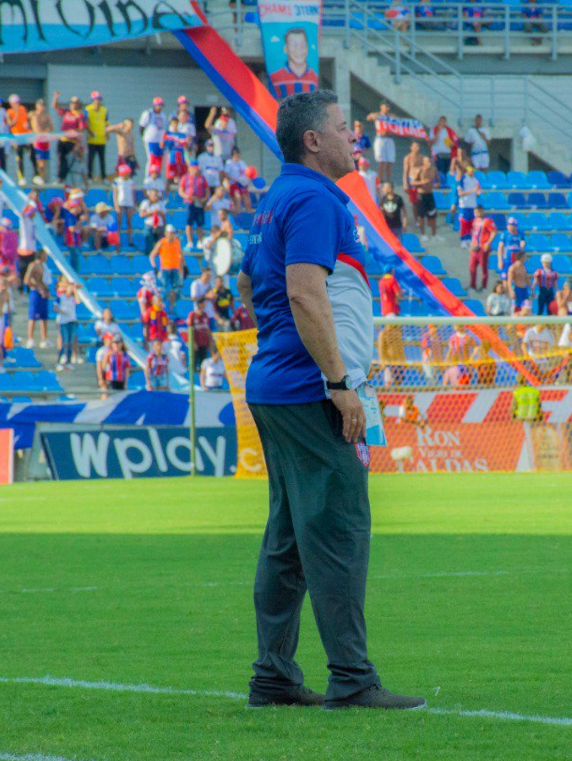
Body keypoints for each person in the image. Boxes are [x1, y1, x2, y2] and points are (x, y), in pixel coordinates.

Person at [235, 89, 423, 711]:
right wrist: (340, 384)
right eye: (345, 128)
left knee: (288, 535)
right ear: (313, 140)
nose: (355, 138)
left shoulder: (276, 199)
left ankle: (274, 675)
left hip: (274, 382)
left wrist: (280, 344)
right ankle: (351, 676)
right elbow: (305, 294)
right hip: (309, 389)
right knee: (340, 529)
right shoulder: (316, 197)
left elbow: (247, 279)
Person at [269, 27, 319, 95]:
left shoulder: (314, 77)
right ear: (286, 49)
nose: (299, 49)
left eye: (303, 45)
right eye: (294, 45)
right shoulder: (275, 77)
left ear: (307, 48)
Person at [53, 92, 86, 182]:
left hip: (72, 141)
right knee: (61, 158)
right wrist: (56, 97)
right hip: (63, 139)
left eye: (75, 103)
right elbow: (55, 106)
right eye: (72, 103)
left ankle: (66, 178)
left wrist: (79, 143)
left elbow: (81, 130)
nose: (73, 105)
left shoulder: (80, 115)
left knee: (70, 160)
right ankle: (61, 178)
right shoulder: (66, 112)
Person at [22, 250, 52, 348]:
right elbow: (27, 280)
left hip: (43, 292)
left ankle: (44, 338)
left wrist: (46, 290)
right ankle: (30, 338)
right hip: (36, 292)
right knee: (33, 316)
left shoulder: (44, 266)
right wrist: (38, 287)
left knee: (44, 317)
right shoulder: (33, 265)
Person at [179, 161, 210, 250]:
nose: (196, 170)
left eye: (197, 169)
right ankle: (190, 241)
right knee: (189, 223)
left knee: (200, 223)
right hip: (190, 203)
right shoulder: (185, 178)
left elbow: (207, 191)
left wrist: (204, 199)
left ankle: (200, 241)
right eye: (194, 169)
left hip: (199, 203)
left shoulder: (202, 178)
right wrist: (187, 197)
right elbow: (181, 191)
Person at [365, 102, 397, 184]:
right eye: (386, 106)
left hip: (389, 139)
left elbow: (398, 121)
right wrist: (373, 116)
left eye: (388, 106)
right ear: (381, 107)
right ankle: (380, 179)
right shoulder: (378, 115)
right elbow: (368, 118)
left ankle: (388, 179)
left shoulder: (391, 116)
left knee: (390, 160)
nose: (387, 108)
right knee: (381, 161)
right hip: (380, 138)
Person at [6, 94, 34, 185]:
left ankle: (36, 175)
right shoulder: (9, 112)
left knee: (33, 153)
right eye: (15, 103)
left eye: (18, 102)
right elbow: (11, 124)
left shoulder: (23, 109)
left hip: (26, 135)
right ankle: (21, 177)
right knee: (19, 157)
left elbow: (26, 121)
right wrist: (16, 113)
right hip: (17, 138)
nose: (17, 104)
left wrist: (28, 125)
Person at [55, 275, 81, 370]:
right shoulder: (61, 296)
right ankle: (60, 360)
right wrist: (62, 310)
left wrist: (74, 290)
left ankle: (68, 361)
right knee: (64, 341)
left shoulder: (72, 298)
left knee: (70, 342)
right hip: (64, 321)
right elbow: (55, 307)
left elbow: (78, 301)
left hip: (72, 320)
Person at [468, 206, 496, 291]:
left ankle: (483, 286)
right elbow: (474, 234)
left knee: (483, 268)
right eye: (476, 212)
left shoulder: (487, 221)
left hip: (483, 248)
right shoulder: (474, 221)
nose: (477, 214)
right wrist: (471, 245)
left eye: (479, 212)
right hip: (475, 248)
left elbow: (494, 232)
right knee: (472, 267)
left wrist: (488, 242)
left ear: (483, 211)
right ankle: (472, 286)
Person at [84, 90, 109, 181]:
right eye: (96, 100)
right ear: (92, 100)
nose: (97, 102)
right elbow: (85, 122)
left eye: (99, 99)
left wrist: (107, 132)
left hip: (101, 138)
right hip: (92, 139)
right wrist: (89, 131)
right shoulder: (88, 109)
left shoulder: (104, 110)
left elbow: (106, 122)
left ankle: (104, 177)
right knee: (90, 159)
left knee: (102, 159)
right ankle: (89, 177)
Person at [412, 155, 438, 239]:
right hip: (421, 195)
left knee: (433, 215)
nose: (429, 163)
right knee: (421, 216)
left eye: (430, 161)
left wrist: (436, 184)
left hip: (430, 194)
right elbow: (412, 182)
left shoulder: (434, 170)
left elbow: (438, 181)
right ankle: (423, 234)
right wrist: (421, 182)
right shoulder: (420, 170)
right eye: (428, 162)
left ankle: (434, 235)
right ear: (424, 163)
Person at [29, 97, 53, 185]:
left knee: (44, 162)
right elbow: (36, 130)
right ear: (37, 106)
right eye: (40, 105)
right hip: (38, 141)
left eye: (43, 106)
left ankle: (42, 178)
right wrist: (44, 131)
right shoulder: (34, 115)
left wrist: (45, 130)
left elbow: (51, 128)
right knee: (40, 163)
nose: (42, 107)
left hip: (45, 141)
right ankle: (38, 177)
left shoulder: (46, 116)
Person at [456, 166, 482, 247]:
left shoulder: (475, 180)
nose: (472, 172)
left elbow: (478, 192)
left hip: (473, 205)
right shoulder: (463, 179)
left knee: (471, 223)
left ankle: (469, 239)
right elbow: (460, 193)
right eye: (470, 170)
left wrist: (478, 193)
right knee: (464, 223)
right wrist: (472, 191)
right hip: (464, 205)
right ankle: (463, 240)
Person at [184, 297, 213, 368]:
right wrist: (193, 343)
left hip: (204, 343)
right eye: (203, 303)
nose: (205, 305)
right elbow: (190, 329)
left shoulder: (205, 315)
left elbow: (208, 329)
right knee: (194, 364)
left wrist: (210, 341)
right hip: (196, 344)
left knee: (203, 364)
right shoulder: (192, 315)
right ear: (199, 304)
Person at [138, 188, 166, 255]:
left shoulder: (161, 204)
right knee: (148, 237)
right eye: (154, 195)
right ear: (150, 195)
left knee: (159, 242)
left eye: (157, 195)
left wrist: (160, 214)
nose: (156, 197)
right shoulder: (146, 203)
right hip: (149, 225)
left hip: (159, 225)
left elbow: (164, 216)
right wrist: (152, 212)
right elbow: (141, 214)